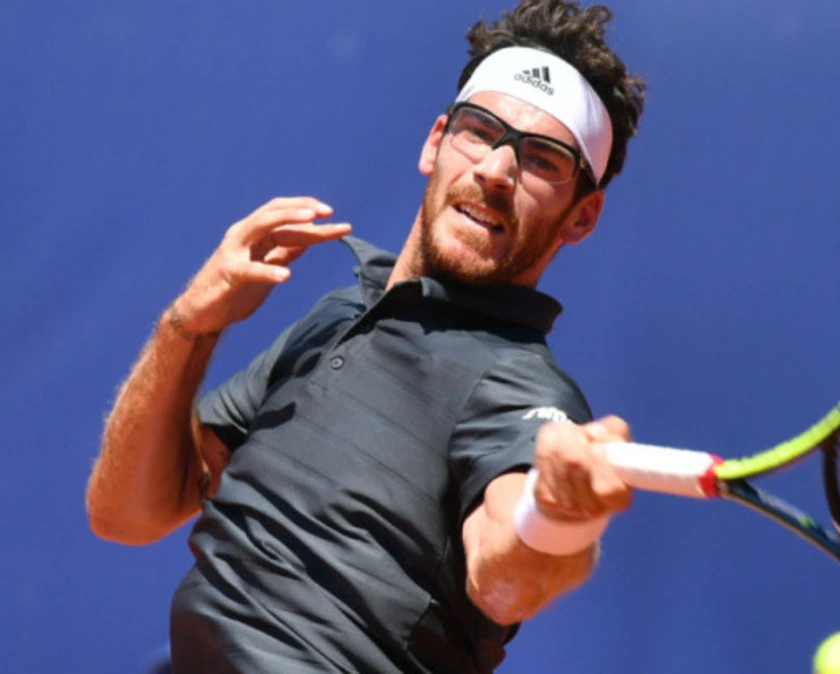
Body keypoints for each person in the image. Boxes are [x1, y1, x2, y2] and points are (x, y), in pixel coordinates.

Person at [85, 1, 647, 671]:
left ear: (582, 216)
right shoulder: (339, 314)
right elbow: (127, 515)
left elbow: (505, 577)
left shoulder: (524, 388)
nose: (497, 169)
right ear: (435, 142)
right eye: (480, 130)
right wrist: (189, 327)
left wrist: (556, 516)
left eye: (544, 160)